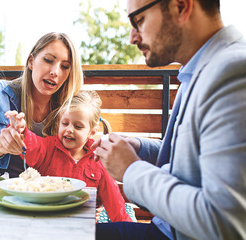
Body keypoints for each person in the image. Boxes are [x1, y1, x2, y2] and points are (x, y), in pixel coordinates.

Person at [93, 0, 246, 239]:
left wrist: (131, 170)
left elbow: (224, 223)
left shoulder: (233, 72)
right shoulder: (199, 69)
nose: (132, 37)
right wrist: (138, 147)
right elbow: (192, 158)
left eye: (138, 21)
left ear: (181, 6)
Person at [5, 91, 133, 222]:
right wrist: (20, 130)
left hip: (82, 224)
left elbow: (115, 204)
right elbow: (31, 145)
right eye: (65, 123)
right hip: (46, 220)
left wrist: (128, 230)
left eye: (78, 126)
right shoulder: (48, 147)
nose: (69, 129)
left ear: (91, 132)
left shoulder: (98, 161)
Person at [0, 32, 84, 178]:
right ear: (31, 61)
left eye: (65, 66)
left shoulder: (71, 108)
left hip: (44, 192)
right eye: (48, 60)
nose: (55, 72)